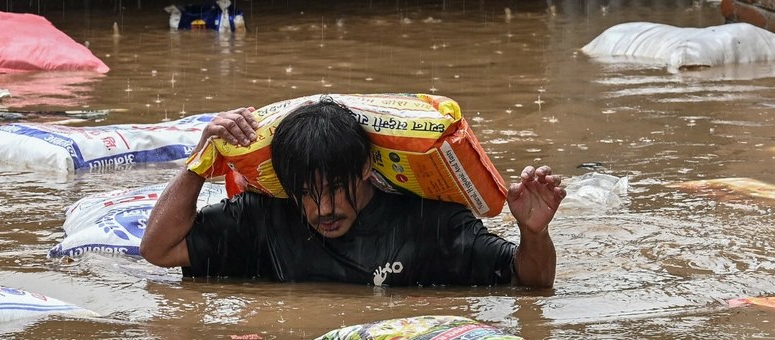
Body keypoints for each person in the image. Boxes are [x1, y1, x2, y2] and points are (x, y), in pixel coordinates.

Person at [140, 98, 565, 288]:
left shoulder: (429, 224)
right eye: (306, 193)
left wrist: (533, 233)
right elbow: (159, 249)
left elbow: (531, 282)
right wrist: (200, 160)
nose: (323, 208)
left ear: (366, 169)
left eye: (333, 190)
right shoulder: (263, 219)